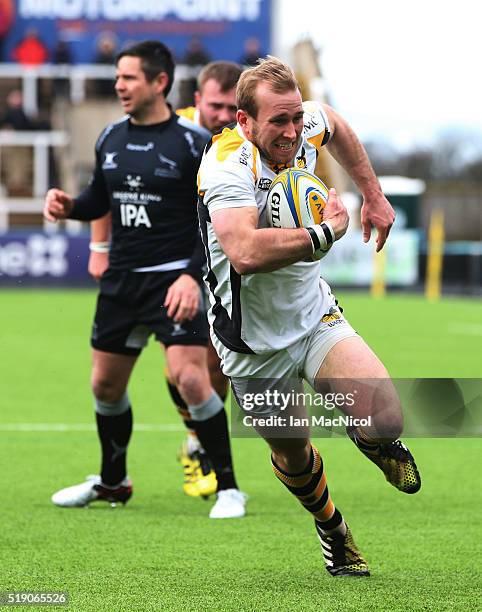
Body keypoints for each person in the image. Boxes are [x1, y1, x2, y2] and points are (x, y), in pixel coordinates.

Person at [197, 56, 421, 576]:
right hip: (251, 344)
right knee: (295, 456)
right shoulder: (227, 165)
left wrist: (374, 193)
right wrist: (323, 234)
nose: (294, 131)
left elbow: (336, 124)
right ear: (244, 122)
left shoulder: (303, 124)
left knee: (386, 417)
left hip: (314, 316)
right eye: (279, 122)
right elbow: (244, 252)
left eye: (297, 118)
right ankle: (333, 529)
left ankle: (368, 436)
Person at [43, 41, 246, 519]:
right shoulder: (110, 137)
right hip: (122, 283)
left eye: (129, 77)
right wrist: (70, 206)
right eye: (118, 77)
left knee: (192, 379)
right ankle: (113, 483)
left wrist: (191, 276)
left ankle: (229, 489)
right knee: (105, 388)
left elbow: (210, 222)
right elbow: (100, 198)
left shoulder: (195, 144)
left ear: (159, 83)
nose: (119, 85)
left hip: (173, 282)